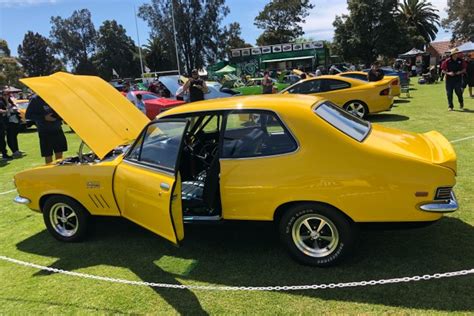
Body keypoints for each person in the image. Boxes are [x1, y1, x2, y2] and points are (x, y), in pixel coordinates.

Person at [26, 95, 68, 164]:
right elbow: (28, 115)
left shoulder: (54, 97)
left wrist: (63, 118)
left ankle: (59, 172)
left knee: (59, 154)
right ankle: (50, 172)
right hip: (45, 131)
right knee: (48, 155)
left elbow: (61, 110)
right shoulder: (36, 99)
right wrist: (44, 118)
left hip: (57, 129)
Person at [3, 92, 23, 158]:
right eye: (5, 94)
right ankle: (14, 151)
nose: (7, 96)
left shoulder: (11, 101)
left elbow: (15, 108)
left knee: (14, 137)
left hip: (15, 121)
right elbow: (7, 111)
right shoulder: (2, 102)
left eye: (8, 94)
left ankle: (16, 150)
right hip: (8, 122)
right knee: (10, 137)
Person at [0, 91, 11, 160]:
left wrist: (7, 101)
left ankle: (4, 154)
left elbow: (7, 108)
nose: (6, 96)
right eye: (5, 95)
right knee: (1, 140)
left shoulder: (1, 102)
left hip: (1, 123)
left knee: (2, 140)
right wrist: (5, 111)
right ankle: (4, 154)